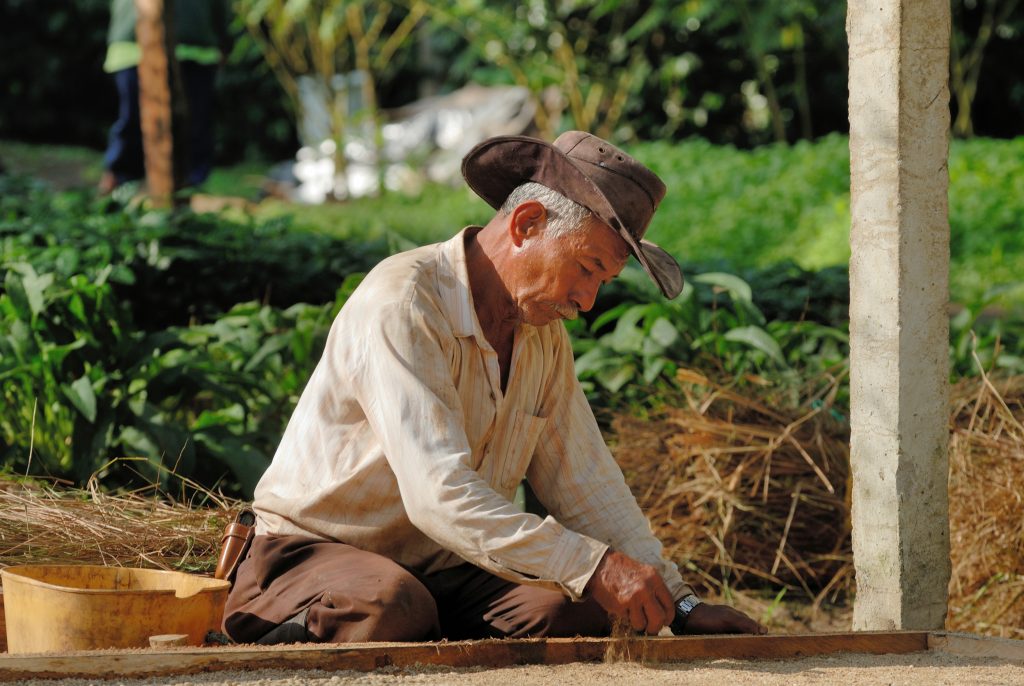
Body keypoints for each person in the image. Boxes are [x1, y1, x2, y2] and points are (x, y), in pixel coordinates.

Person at [223, 131, 765, 644]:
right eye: (586, 268)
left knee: (582, 608)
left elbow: (587, 484)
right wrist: (589, 564)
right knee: (393, 605)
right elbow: (440, 496)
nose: (587, 301)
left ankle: (427, 632)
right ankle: (260, 630)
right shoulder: (404, 302)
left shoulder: (542, 335)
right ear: (526, 224)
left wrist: (681, 603)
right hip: (312, 553)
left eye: (602, 282)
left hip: (444, 564)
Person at [98, 0, 232, 194]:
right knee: (133, 119)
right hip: (132, 44)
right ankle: (120, 180)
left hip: (196, 46)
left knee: (195, 123)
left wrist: (224, 41)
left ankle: (190, 185)